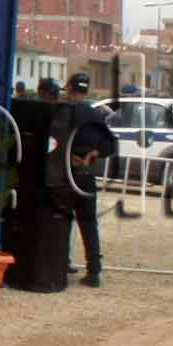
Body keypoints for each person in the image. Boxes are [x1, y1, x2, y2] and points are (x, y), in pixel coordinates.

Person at [61, 73, 117, 287]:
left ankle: (61, 262)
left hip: (66, 173)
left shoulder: (65, 113)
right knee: (88, 222)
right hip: (86, 175)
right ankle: (94, 270)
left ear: (70, 89)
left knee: (63, 219)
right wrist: (93, 154)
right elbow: (110, 145)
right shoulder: (96, 115)